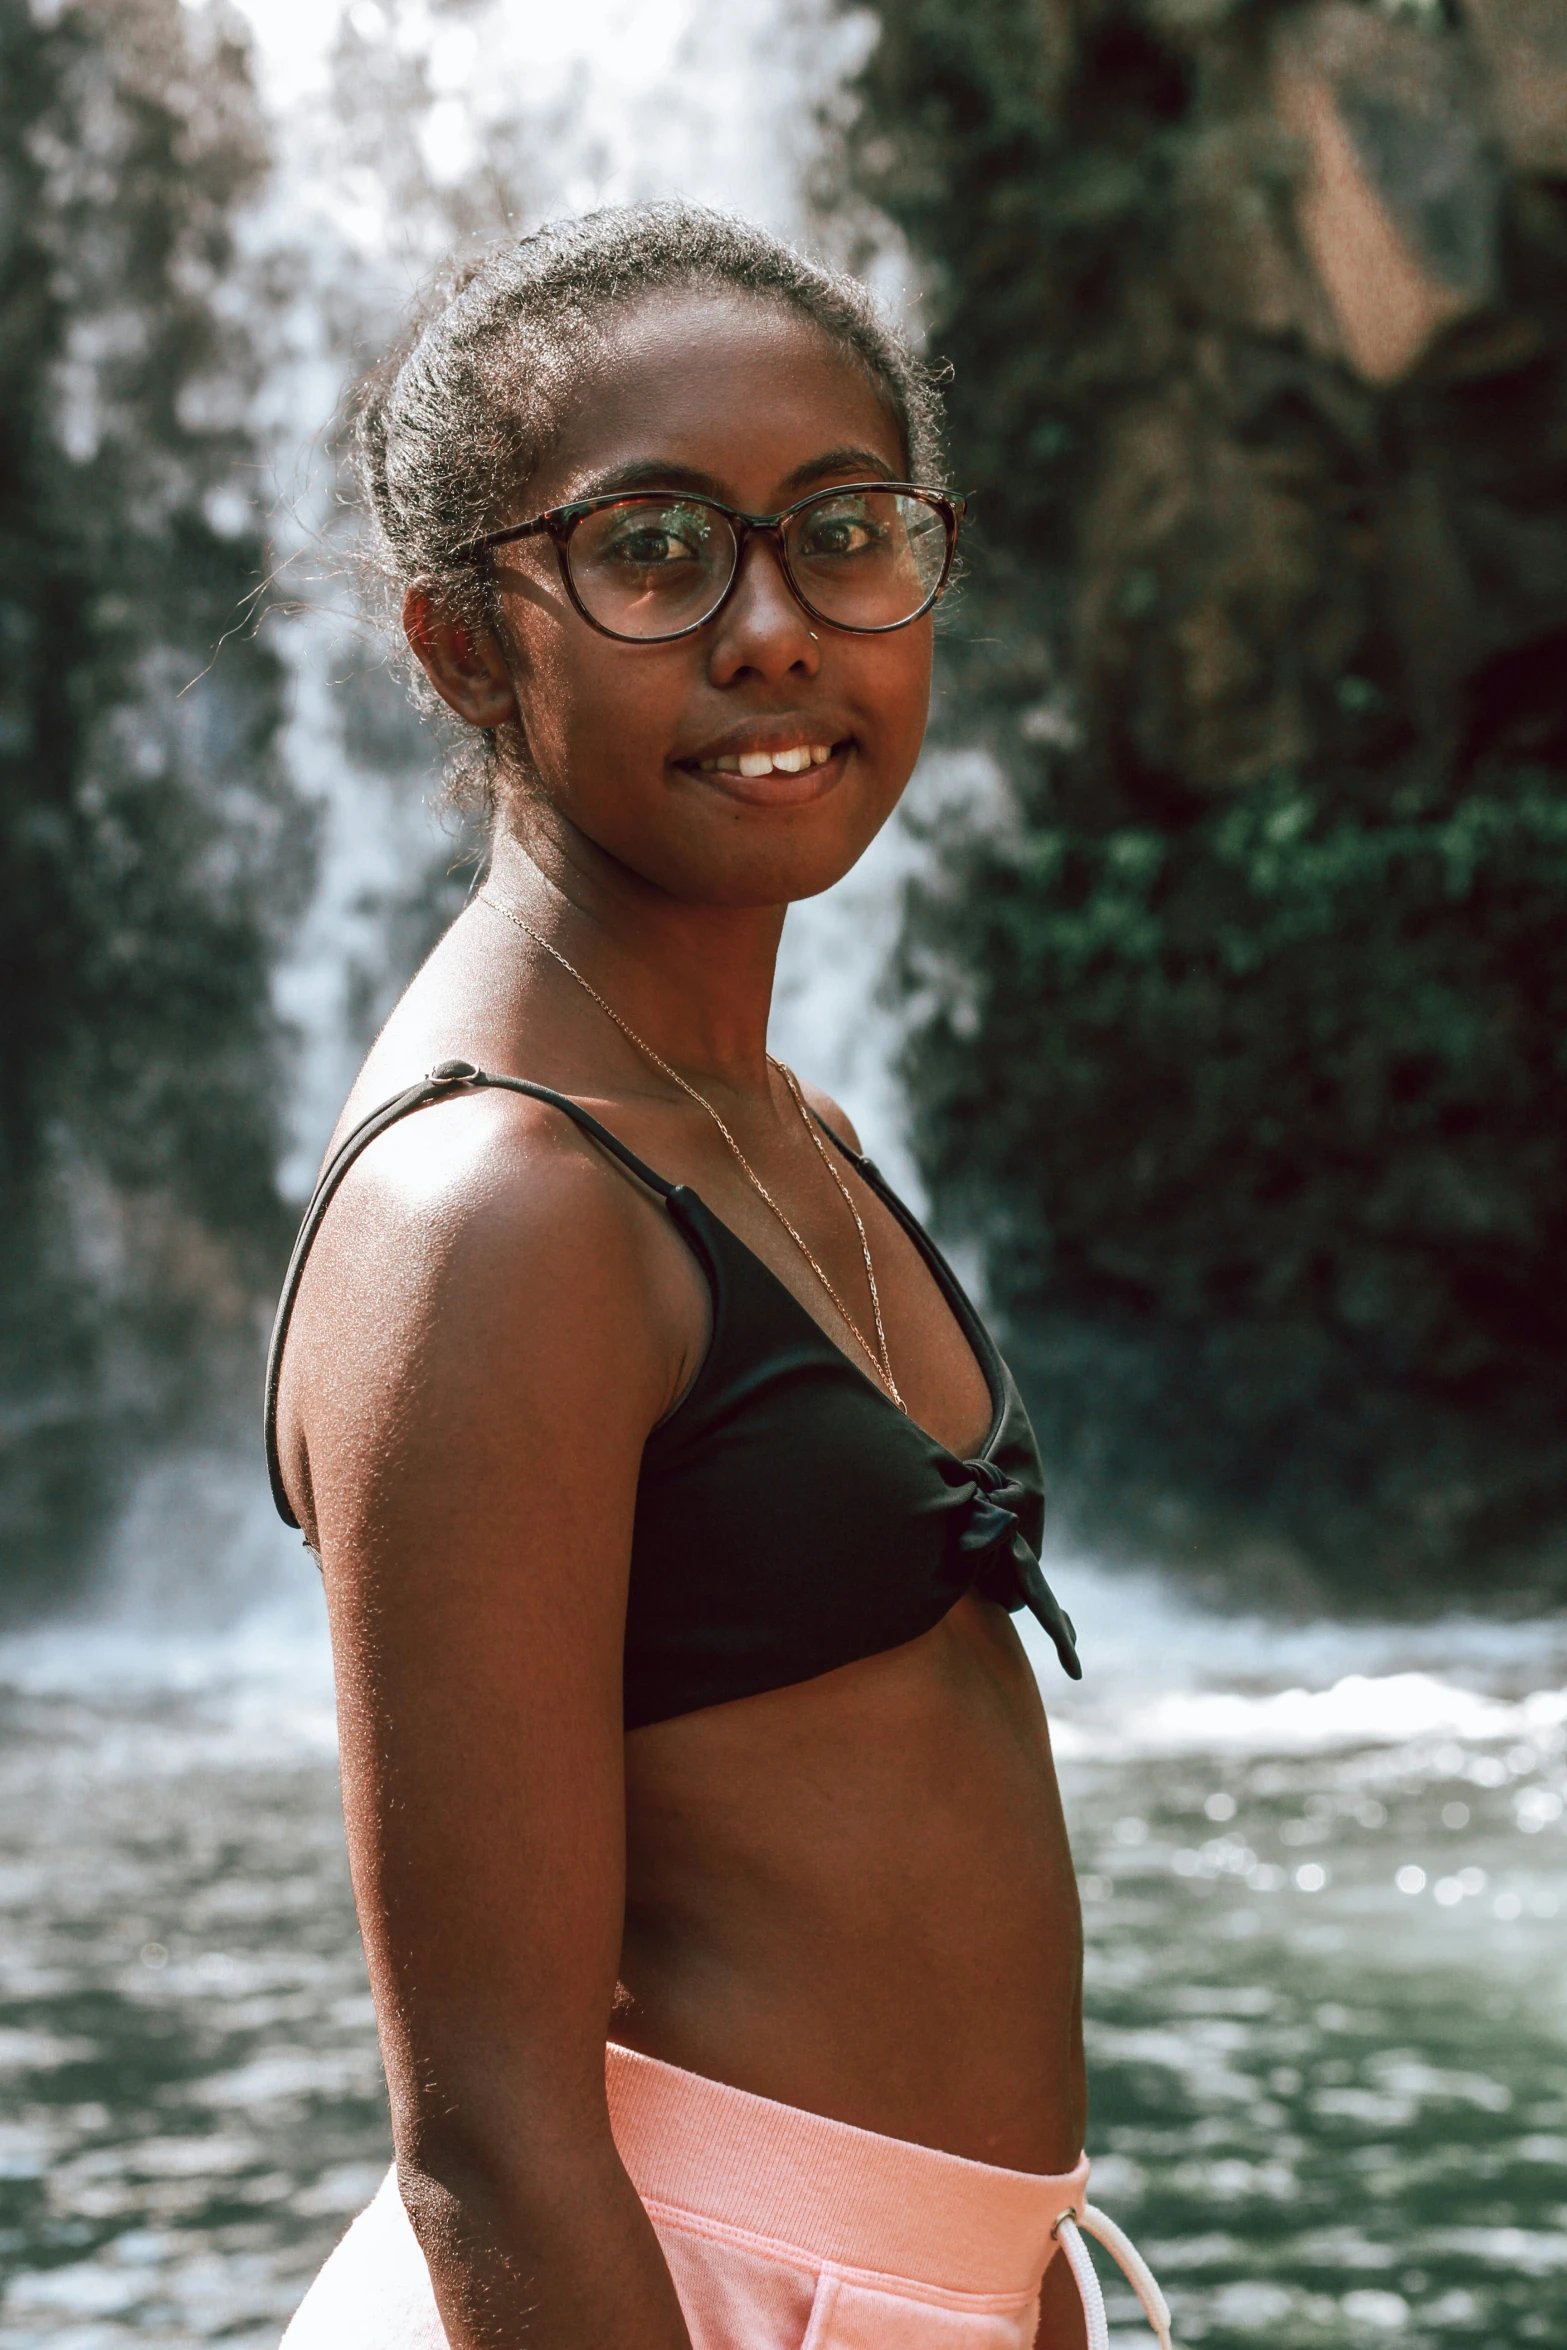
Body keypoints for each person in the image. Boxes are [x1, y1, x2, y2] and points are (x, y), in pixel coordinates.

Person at [267, 203, 1173, 2350]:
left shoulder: (771, 1125)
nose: (776, 629)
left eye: (842, 532)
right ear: (463, 644)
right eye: (655, 550)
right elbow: (485, 2128)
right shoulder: (498, 1207)